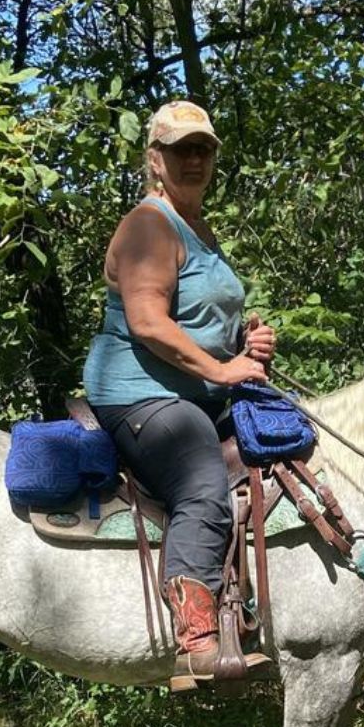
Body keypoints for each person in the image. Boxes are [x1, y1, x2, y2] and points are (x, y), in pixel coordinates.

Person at [83, 101, 277, 691]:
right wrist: (223, 370)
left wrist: (245, 342)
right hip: (140, 395)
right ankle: (195, 642)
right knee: (200, 478)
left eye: (204, 149)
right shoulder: (149, 226)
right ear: (154, 159)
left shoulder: (199, 230)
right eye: (180, 149)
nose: (194, 159)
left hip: (194, 391)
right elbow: (148, 322)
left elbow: (197, 317)